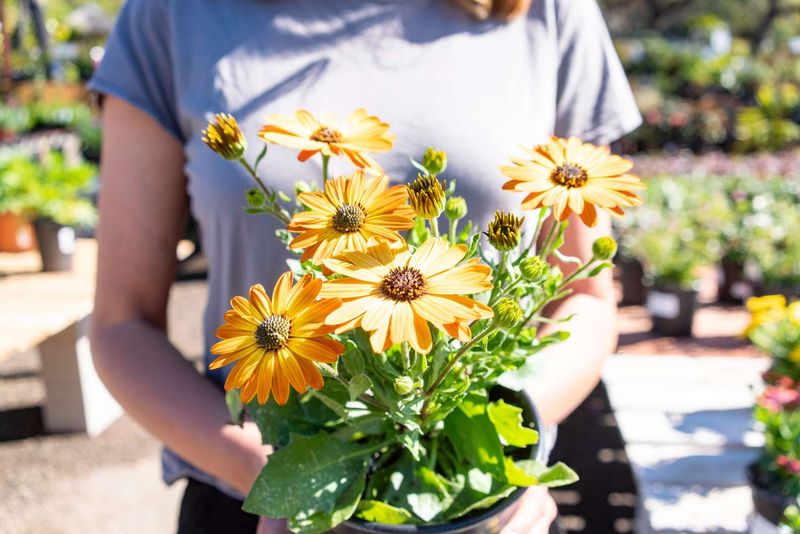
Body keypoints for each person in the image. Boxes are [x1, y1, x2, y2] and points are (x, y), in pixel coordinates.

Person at [87, 0, 641, 532]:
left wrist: (506, 452)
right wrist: (283, 479)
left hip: (475, 500)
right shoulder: (170, 12)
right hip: (259, 499)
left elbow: (587, 299)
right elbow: (120, 323)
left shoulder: (549, 9)